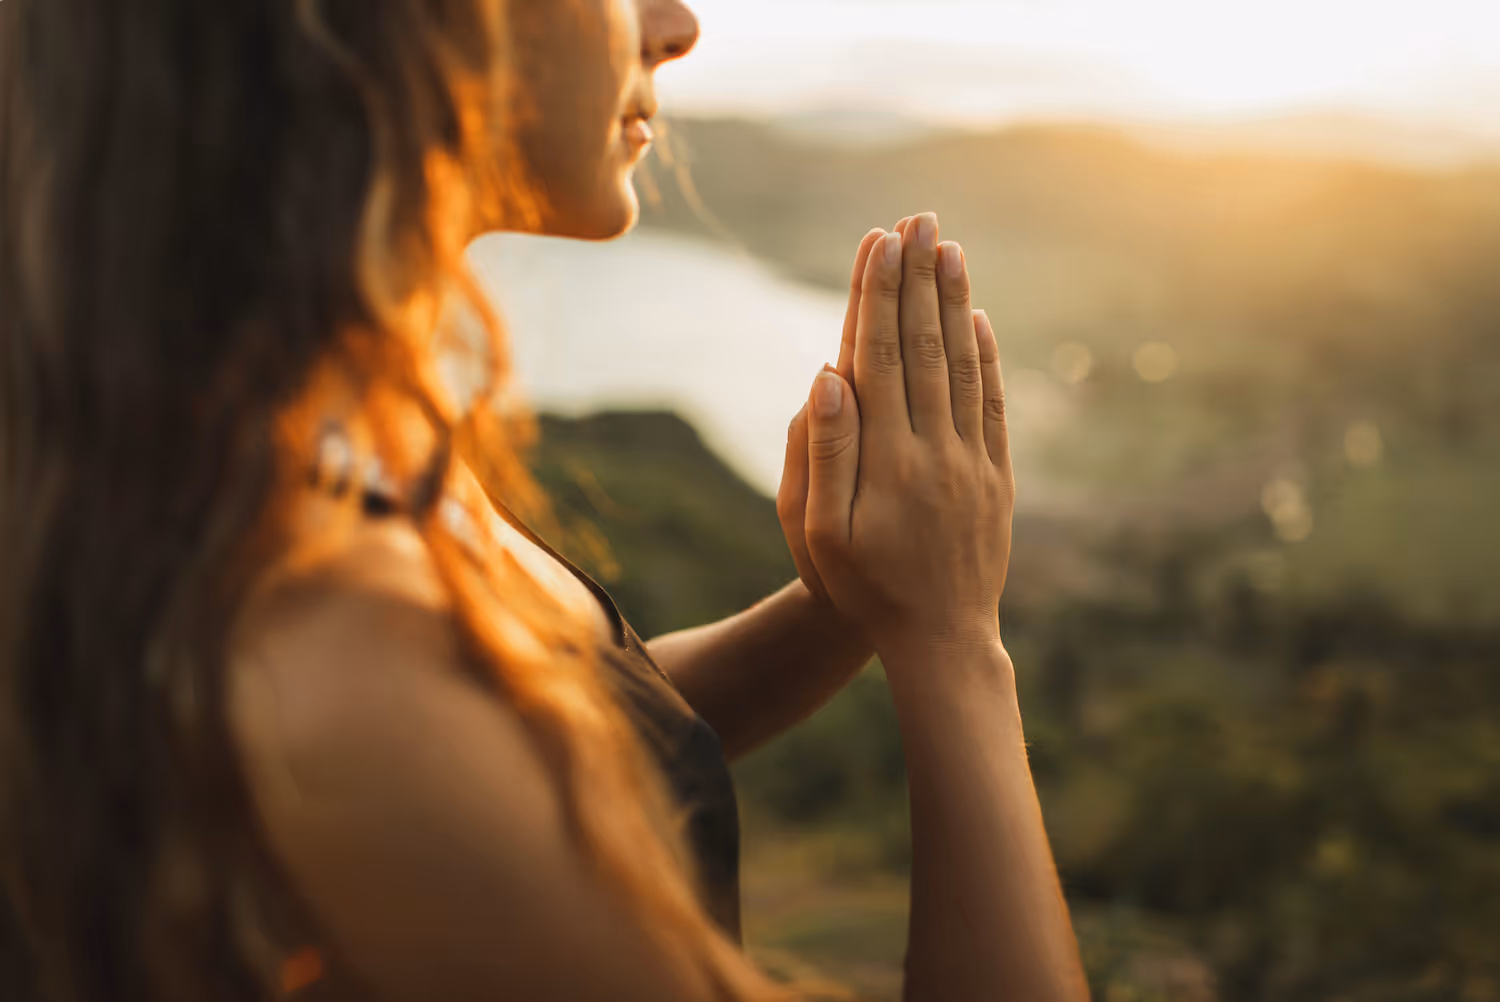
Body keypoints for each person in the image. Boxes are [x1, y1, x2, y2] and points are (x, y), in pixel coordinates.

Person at [0, 0, 1088, 999]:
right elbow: (441, 735)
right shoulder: (338, 644)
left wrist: (852, 601)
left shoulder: (301, 440)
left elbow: (581, 716)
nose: (676, 25)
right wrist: (952, 643)